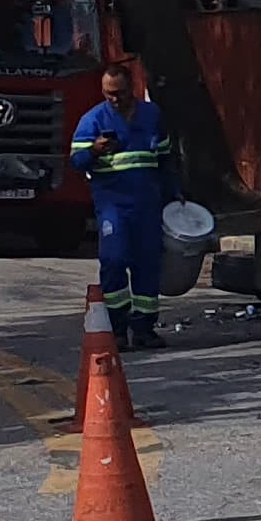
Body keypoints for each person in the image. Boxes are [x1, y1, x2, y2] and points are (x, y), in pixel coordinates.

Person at [69, 61, 182, 350]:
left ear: (132, 87)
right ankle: (117, 328)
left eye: (119, 93)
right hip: (113, 206)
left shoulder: (151, 115)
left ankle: (144, 329)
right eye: (108, 94)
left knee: (147, 266)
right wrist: (94, 150)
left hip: (147, 205)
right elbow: (76, 161)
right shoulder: (92, 120)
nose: (114, 99)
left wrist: (175, 193)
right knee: (115, 262)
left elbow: (166, 157)